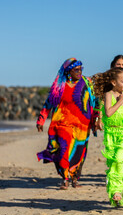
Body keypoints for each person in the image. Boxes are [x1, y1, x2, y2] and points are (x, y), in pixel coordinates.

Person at [36, 58, 98, 190]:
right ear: (69, 71)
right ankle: (65, 178)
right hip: (62, 124)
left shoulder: (87, 83)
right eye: (77, 69)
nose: (80, 71)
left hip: (82, 126)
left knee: (79, 153)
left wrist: (96, 119)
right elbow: (49, 103)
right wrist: (41, 119)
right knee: (64, 150)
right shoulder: (59, 85)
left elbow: (94, 101)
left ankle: (75, 178)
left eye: (81, 69)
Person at [92, 67, 123, 207]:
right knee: (113, 164)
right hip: (111, 134)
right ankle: (115, 195)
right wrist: (121, 101)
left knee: (120, 160)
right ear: (114, 82)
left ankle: (117, 191)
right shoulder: (109, 94)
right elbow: (108, 112)